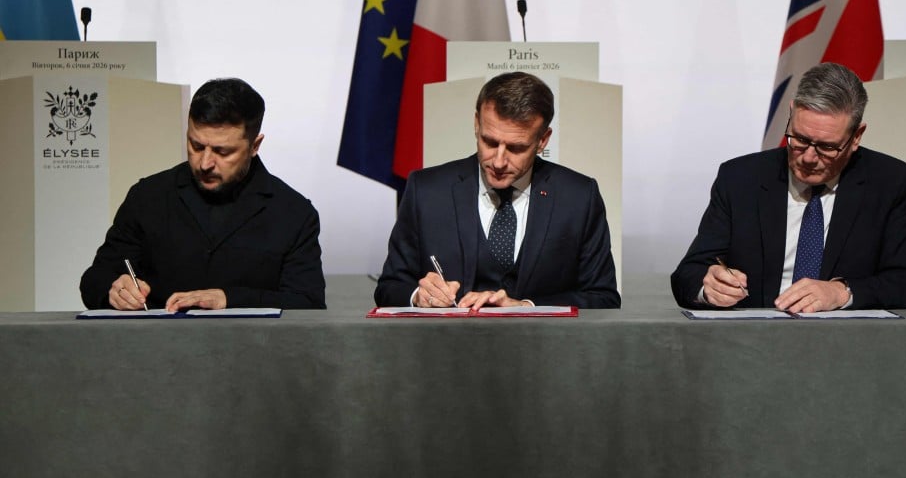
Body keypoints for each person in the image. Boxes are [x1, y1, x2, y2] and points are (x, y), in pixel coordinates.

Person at [671, 62, 906, 312]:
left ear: (856, 137)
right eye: (800, 139)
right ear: (791, 114)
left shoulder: (889, 182)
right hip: (752, 342)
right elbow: (688, 274)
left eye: (827, 147)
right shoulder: (740, 179)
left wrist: (841, 292)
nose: (808, 157)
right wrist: (710, 286)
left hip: (848, 343)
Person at [374, 71, 620, 309]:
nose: (499, 161)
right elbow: (389, 287)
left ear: (542, 140)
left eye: (516, 148)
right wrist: (420, 296)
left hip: (544, 348)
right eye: (489, 142)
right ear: (476, 123)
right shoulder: (426, 191)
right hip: (446, 348)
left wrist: (527, 307)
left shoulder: (578, 197)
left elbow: (603, 298)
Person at [80, 77, 326, 311]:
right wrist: (114, 290)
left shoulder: (293, 213)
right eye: (196, 146)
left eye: (223, 151)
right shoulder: (148, 196)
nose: (205, 163)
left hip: (253, 352)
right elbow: (95, 280)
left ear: (255, 146)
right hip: (153, 350)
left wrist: (228, 299)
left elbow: (308, 303)